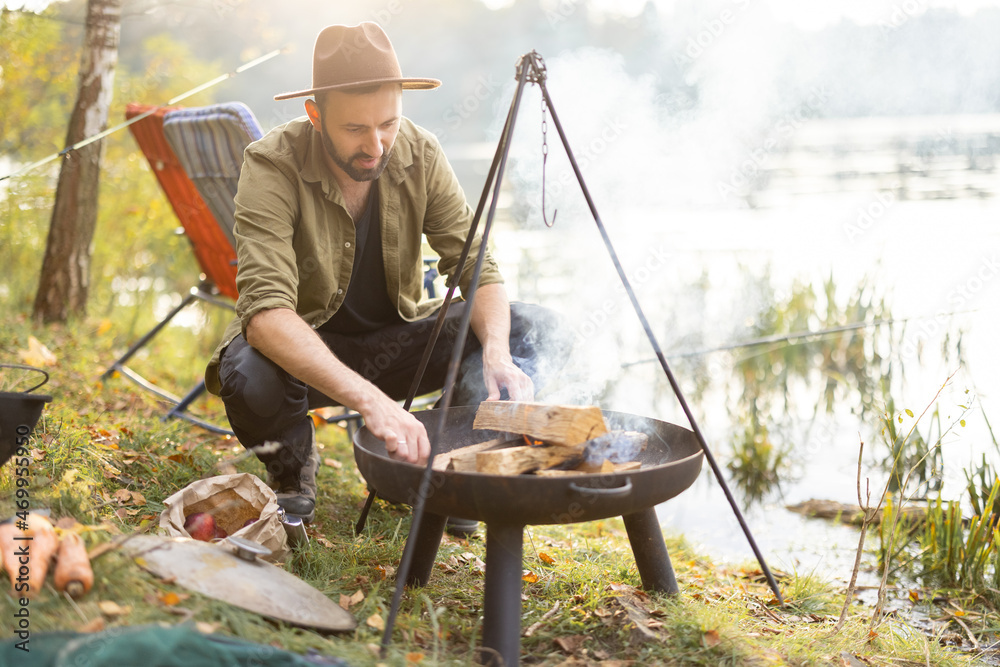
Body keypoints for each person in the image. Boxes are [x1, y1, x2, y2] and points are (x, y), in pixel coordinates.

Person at [204, 23, 569, 525]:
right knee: (246, 374)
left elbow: (476, 265)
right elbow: (266, 314)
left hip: (397, 345)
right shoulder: (270, 165)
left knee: (529, 329)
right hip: (303, 356)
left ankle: (447, 465)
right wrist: (373, 403)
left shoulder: (420, 151)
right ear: (315, 115)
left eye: (388, 124)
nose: (376, 146)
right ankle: (291, 473)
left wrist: (499, 356)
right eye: (355, 129)